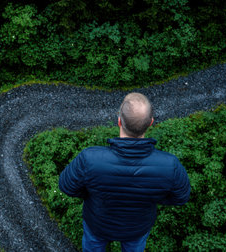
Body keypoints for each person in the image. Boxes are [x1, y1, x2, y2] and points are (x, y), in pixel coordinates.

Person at [59, 92, 191, 252]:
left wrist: (93, 193)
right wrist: (152, 197)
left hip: (97, 223)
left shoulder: (90, 158)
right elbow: (181, 197)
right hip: (136, 229)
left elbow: (66, 186)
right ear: (151, 123)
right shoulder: (170, 165)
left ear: (119, 120)